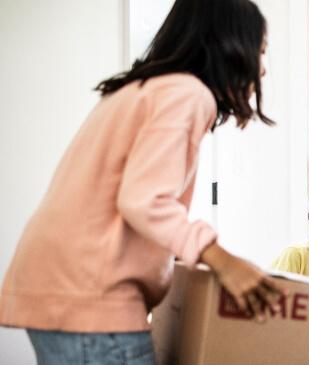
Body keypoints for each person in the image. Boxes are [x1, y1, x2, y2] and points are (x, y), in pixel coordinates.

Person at [0, 0, 283, 363]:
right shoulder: (187, 94)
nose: (261, 67)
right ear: (231, 46)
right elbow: (143, 200)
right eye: (260, 51)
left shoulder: (141, 90)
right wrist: (222, 260)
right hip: (92, 299)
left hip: (62, 287)